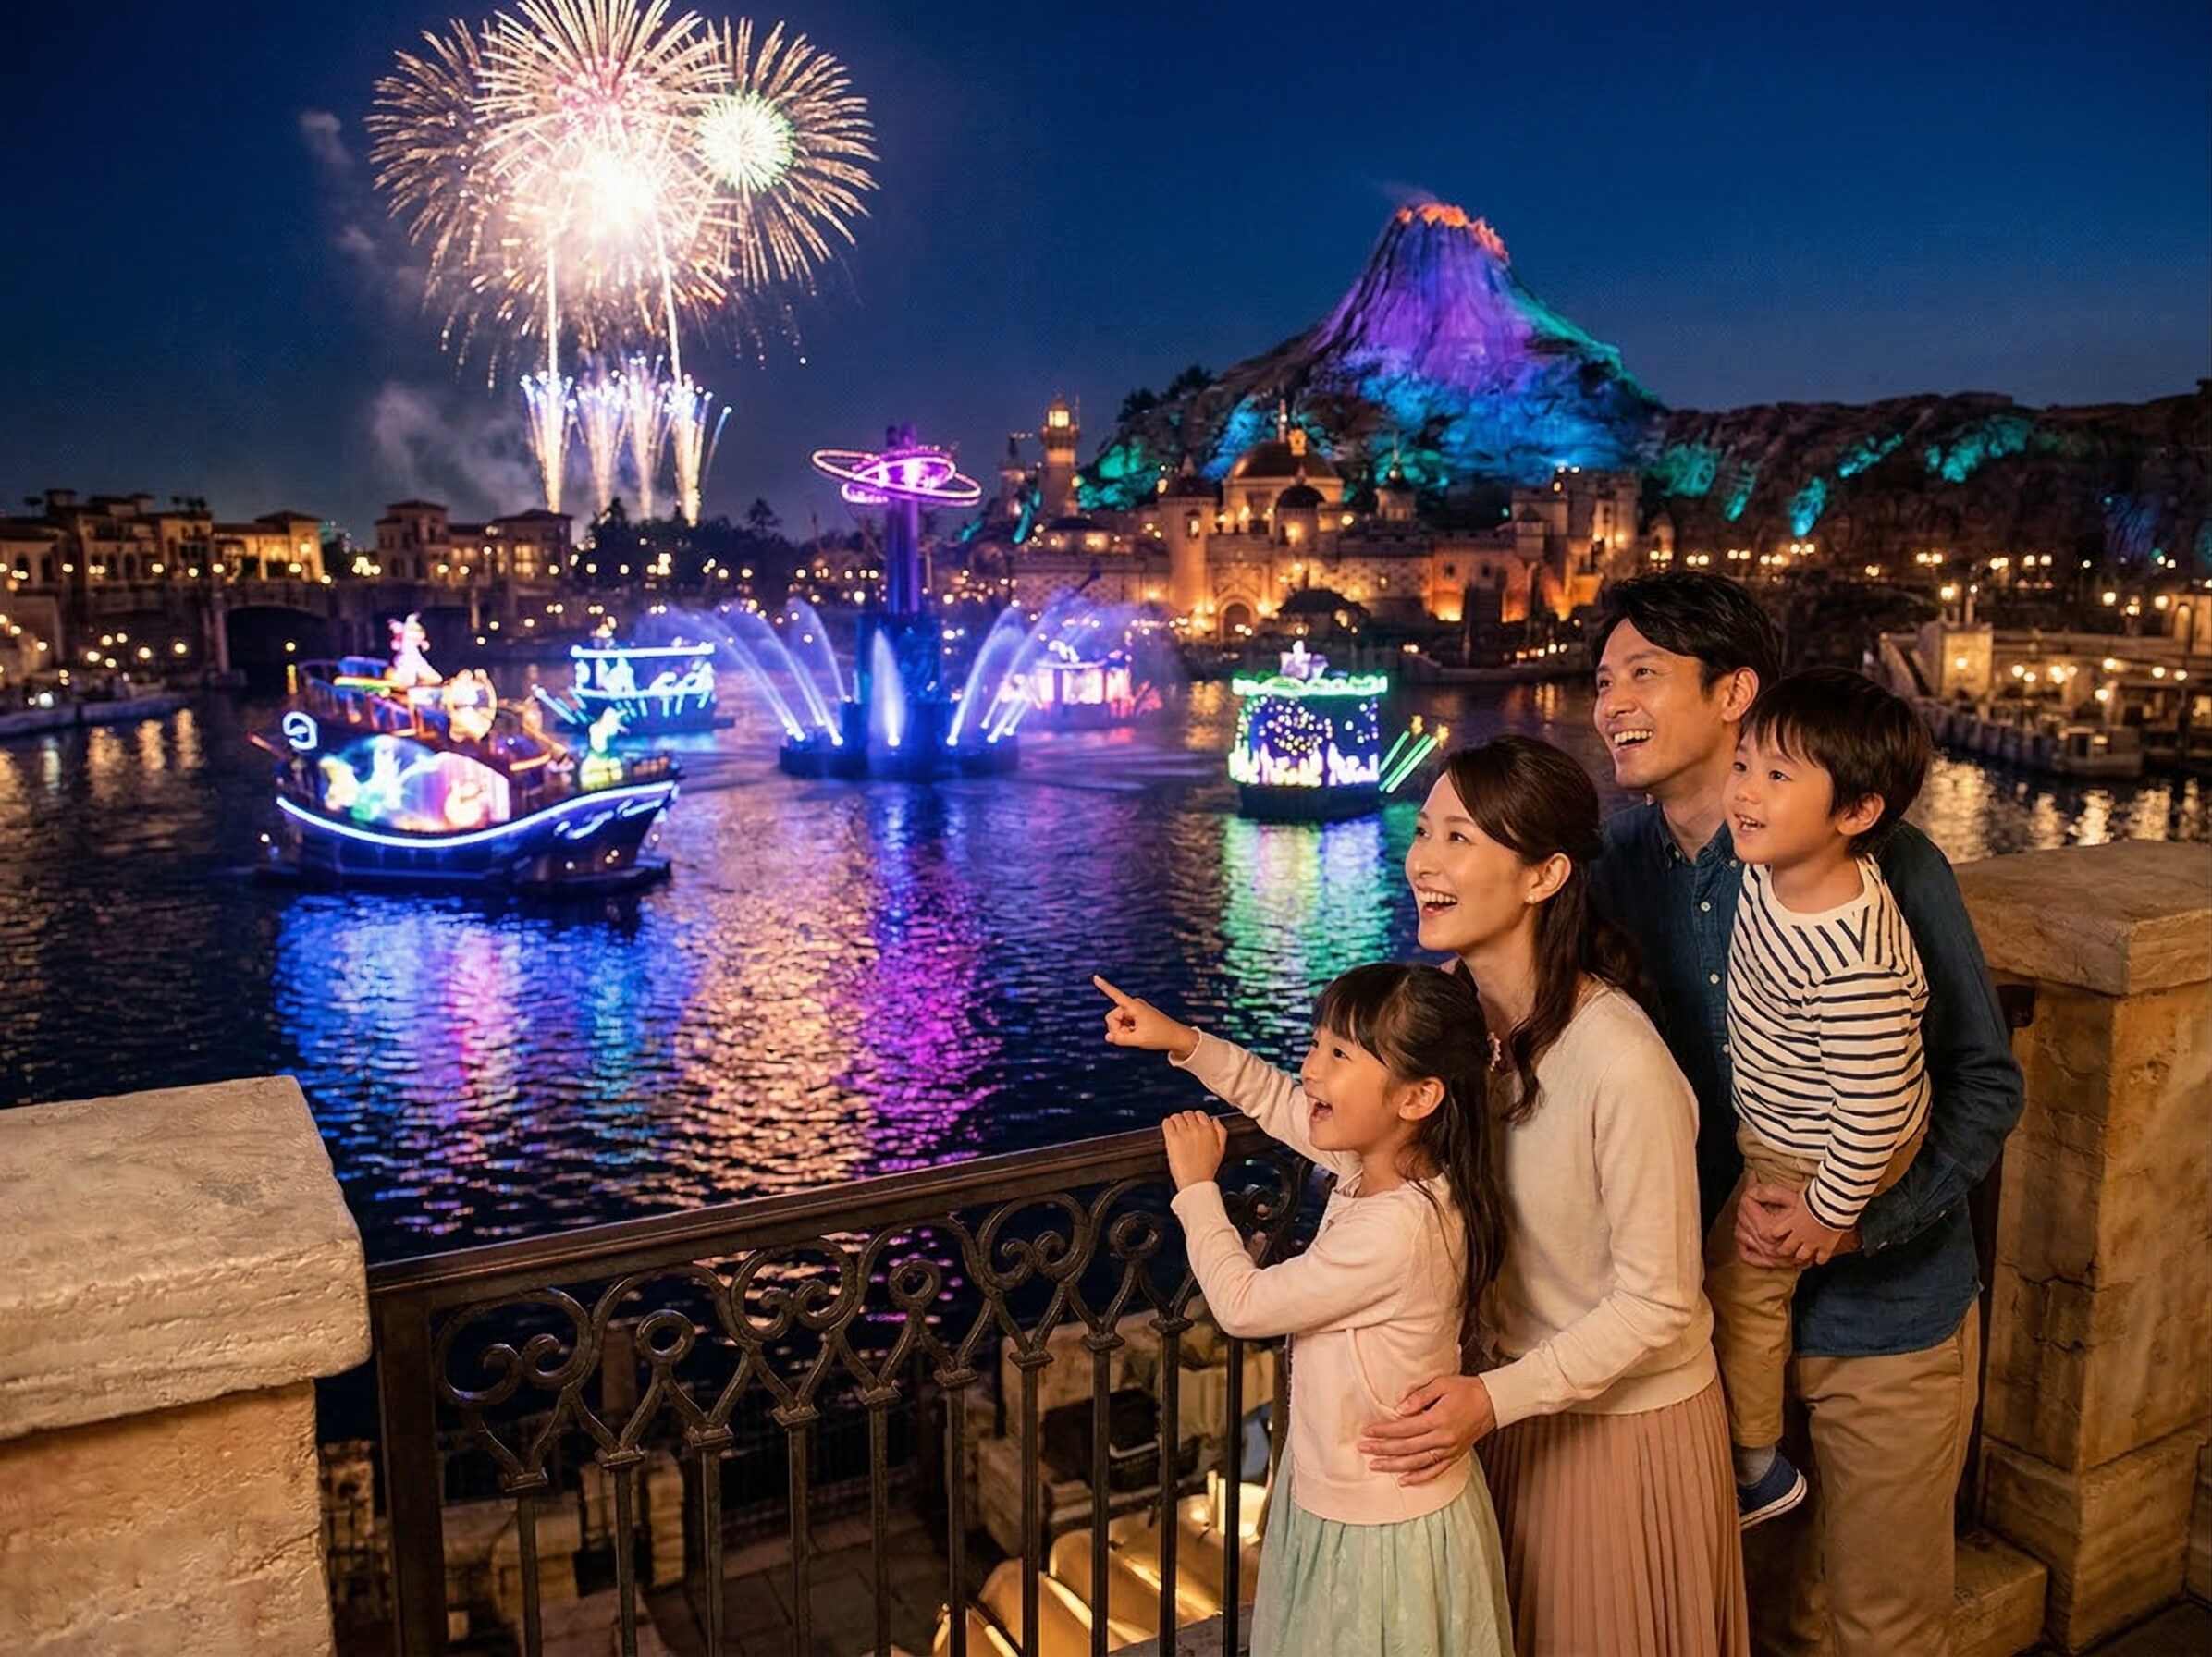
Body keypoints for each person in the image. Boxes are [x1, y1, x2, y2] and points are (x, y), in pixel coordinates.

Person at [1585, 571, 2024, 1657]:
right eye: (1601, 679)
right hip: (1708, 1318)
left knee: (1876, 1623)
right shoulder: (1615, 865)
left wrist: (1855, 1221)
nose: (1610, 704)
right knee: (1746, 1616)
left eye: (1643, 674)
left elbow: (1984, 1082)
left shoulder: (1879, 864)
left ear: (1735, 691)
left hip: (1887, 1319)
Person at [1357, 737, 1748, 1657]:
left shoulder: (1620, 1059)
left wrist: (1493, 1400)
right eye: (1422, 832)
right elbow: (1352, 1126)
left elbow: (1657, 1300)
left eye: (1459, 837)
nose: (1423, 861)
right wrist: (1195, 1052)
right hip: (1497, 1410)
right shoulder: (1446, 1017)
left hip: (1614, 1434)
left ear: (1544, 874)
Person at [1093, 962, 1513, 1657]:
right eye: (1316, 1043)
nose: (1310, 1066)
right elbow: (1274, 1097)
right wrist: (1183, 1041)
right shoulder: (1383, 1172)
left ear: (1418, 1096)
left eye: (1338, 1054)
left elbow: (1243, 1303)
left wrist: (1198, 1190)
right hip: (1343, 1493)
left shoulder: (1397, 1229)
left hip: (1380, 1522)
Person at [1707, 668, 1935, 1528]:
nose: (1745, 794)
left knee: (1743, 1280)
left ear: (1857, 814)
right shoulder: (1783, 870)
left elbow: (1874, 1109)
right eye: (1744, 766)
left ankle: (1754, 1467)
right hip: (1793, 1119)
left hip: (1828, 1146)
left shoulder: (1849, 959)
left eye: (1778, 777)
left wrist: (1827, 1211)